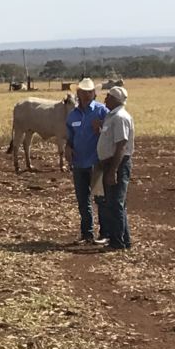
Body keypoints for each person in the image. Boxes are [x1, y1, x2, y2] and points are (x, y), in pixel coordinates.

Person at [64, 76, 109, 244]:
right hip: (78, 163)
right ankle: (87, 234)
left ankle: (105, 233)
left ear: (93, 93)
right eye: (83, 91)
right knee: (83, 201)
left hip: (96, 162)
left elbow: (112, 133)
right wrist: (68, 147)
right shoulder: (73, 115)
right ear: (78, 93)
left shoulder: (101, 111)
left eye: (89, 91)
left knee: (100, 199)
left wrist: (101, 129)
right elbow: (70, 136)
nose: (86, 94)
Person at [97, 84, 134, 251]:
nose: (105, 99)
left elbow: (121, 146)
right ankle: (123, 240)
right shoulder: (112, 116)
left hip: (116, 163)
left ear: (115, 99)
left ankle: (117, 242)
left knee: (115, 204)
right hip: (111, 163)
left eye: (108, 96)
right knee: (115, 203)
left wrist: (113, 171)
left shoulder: (120, 117)